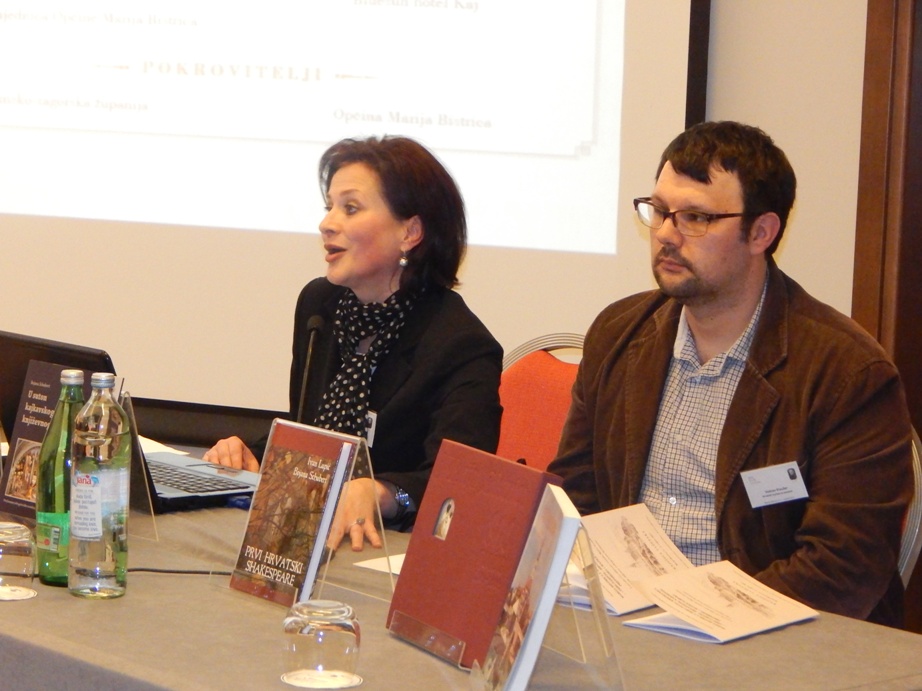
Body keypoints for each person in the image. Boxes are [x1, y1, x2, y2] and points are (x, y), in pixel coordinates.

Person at [548, 121, 914, 627]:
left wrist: (693, 617)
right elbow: (575, 497)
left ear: (761, 233)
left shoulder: (848, 372)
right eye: (659, 211)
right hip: (628, 624)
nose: (666, 234)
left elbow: (843, 568)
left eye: (695, 217)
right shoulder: (619, 334)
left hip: (765, 636)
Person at [205, 135, 503, 550]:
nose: (327, 224)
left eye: (350, 208)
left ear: (410, 232)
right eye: (329, 206)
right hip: (307, 535)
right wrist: (250, 453)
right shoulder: (321, 307)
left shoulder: (460, 345)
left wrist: (383, 492)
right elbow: (310, 434)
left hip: (389, 550)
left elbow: (459, 488)